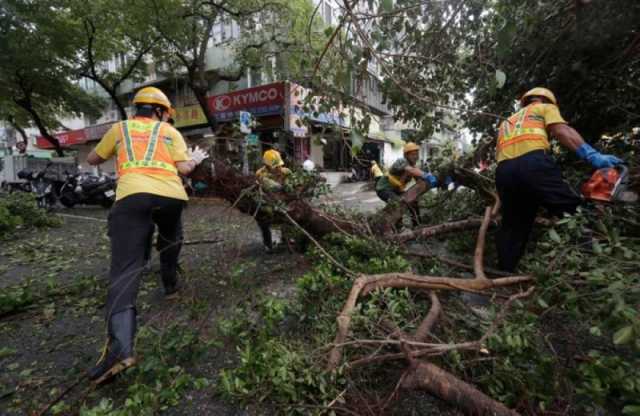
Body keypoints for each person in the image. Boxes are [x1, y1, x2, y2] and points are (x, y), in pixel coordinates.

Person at [85, 86, 209, 384]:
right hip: (171, 196)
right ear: (161, 111)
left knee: (126, 269)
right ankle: (170, 285)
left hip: (133, 197)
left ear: (138, 108)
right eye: (167, 113)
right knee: (170, 238)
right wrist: (195, 159)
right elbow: (185, 169)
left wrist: (114, 152)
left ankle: (121, 349)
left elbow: (92, 159)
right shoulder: (171, 133)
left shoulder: (120, 129)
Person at [495, 87, 623, 272]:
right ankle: (600, 263)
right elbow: (562, 131)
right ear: (547, 100)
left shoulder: (507, 122)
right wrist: (593, 155)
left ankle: (503, 275)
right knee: (572, 210)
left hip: (504, 171)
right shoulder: (543, 108)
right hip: (533, 163)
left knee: (514, 226)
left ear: (525, 101)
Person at [375, 142, 438, 226]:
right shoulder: (402, 161)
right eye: (413, 154)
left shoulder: (413, 166)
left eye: (417, 154)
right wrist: (427, 175)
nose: (416, 156)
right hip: (383, 188)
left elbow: (418, 180)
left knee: (413, 202)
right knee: (397, 203)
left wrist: (428, 183)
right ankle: (397, 226)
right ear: (406, 155)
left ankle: (417, 224)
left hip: (395, 190)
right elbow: (410, 170)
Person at [255, 149, 291, 252]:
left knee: (287, 217)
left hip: (283, 201)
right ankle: (268, 244)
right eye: (275, 167)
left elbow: (292, 186)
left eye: (279, 166)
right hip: (266, 202)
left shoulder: (286, 172)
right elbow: (262, 188)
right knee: (263, 221)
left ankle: (286, 239)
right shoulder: (260, 174)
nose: (278, 168)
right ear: (267, 165)